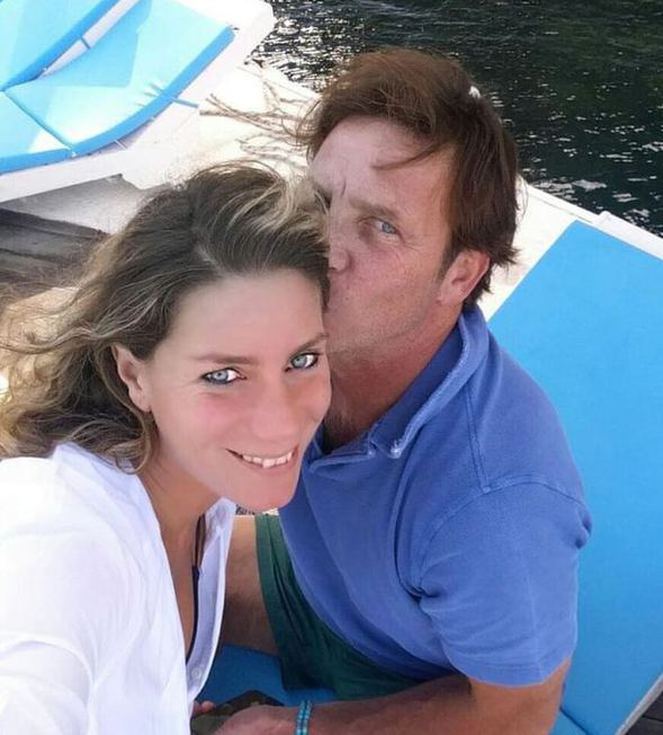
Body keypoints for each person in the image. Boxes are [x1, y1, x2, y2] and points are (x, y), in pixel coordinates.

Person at [218, 50, 592, 734]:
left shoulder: (493, 505)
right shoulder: (302, 340)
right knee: (102, 568)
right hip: (321, 585)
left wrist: (300, 727)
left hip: (419, 672)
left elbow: (517, 716)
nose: (322, 250)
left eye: (381, 226)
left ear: (459, 275)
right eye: (321, 203)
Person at [0, 163, 332, 733]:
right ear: (134, 374)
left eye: (302, 360)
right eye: (223, 375)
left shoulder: (200, 497)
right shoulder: (59, 538)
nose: (279, 423)